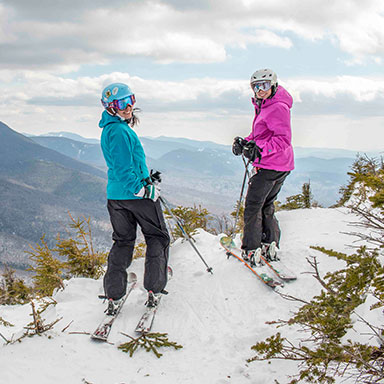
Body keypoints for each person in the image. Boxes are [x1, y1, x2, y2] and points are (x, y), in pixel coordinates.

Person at [99, 82, 170, 314]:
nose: (128, 106)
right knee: (157, 236)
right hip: (134, 196)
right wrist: (143, 190)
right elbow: (122, 168)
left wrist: (146, 178)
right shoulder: (119, 132)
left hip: (116, 197)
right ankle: (154, 287)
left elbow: (127, 165)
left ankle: (114, 292)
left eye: (131, 100)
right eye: (121, 103)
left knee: (123, 241)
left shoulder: (112, 128)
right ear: (110, 107)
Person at [232, 69, 294, 265]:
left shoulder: (278, 107)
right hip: (281, 165)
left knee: (253, 206)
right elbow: (261, 135)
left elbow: (283, 139)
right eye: (256, 86)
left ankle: (251, 248)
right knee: (266, 204)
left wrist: (259, 151)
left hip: (271, 166)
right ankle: (269, 243)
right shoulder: (266, 105)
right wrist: (245, 142)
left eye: (264, 85)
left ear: (273, 85)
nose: (260, 90)